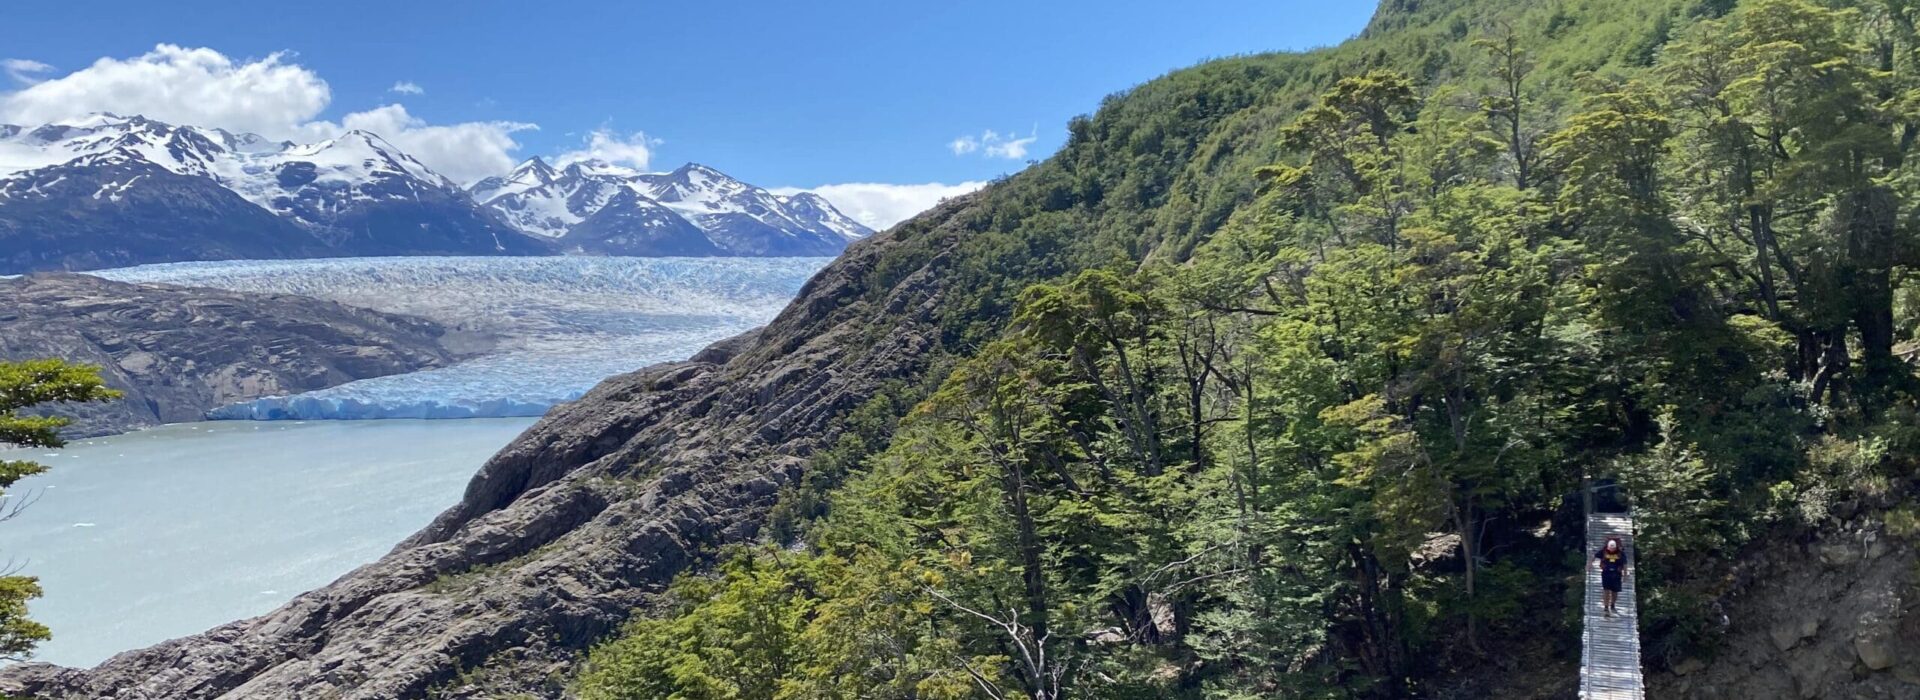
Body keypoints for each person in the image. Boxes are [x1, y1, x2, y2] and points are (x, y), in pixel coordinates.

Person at [1592, 537, 1628, 617]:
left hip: (1616, 574)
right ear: (1608, 547)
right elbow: (1594, 556)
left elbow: (1625, 564)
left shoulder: (1621, 553)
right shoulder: (1604, 551)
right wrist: (1589, 564)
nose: (1611, 550)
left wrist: (1625, 575)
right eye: (1610, 548)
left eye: (1613, 548)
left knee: (1615, 591)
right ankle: (1606, 607)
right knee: (1606, 590)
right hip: (1606, 573)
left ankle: (1612, 605)